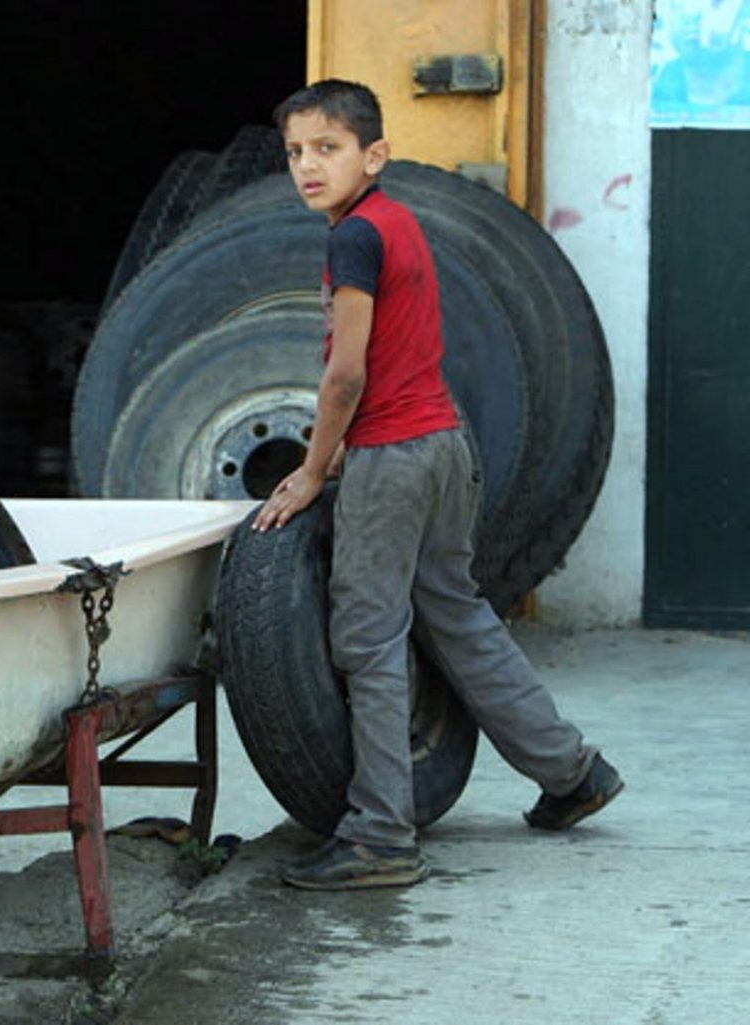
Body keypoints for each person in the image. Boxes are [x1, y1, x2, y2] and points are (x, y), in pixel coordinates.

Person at [252, 80, 623, 891]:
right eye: (294, 153)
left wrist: (314, 469)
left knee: (368, 638)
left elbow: (345, 375)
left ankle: (381, 834)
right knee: (456, 616)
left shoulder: (354, 238)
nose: (308, 167)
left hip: (394, 456)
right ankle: (574, 772)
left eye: (328, 149)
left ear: (373, 155)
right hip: (442, 445)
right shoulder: (398, 222)